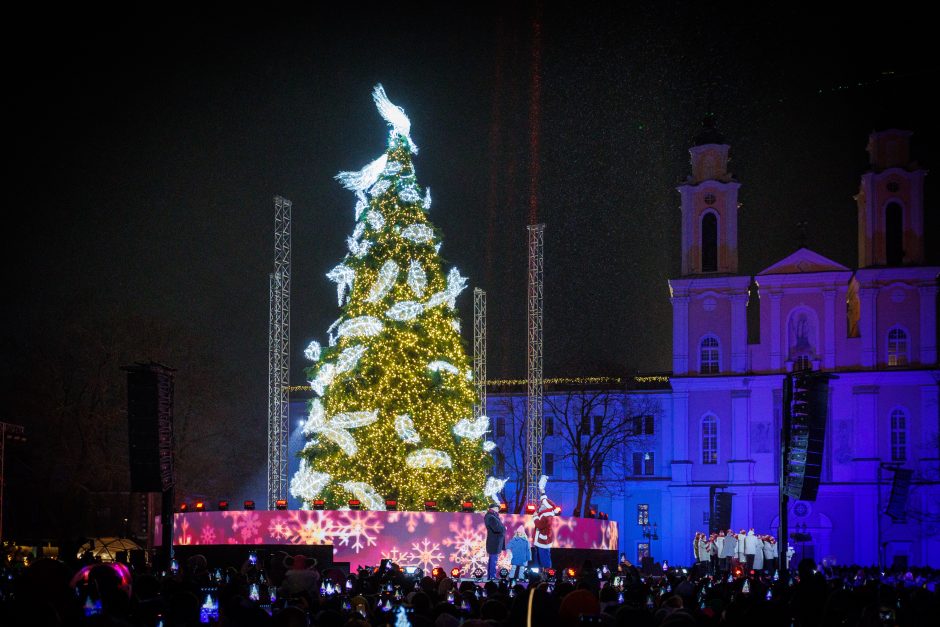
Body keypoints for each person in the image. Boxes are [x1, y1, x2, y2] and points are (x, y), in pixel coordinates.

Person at [532, 475, 560, 570]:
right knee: (542, 557)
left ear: (546, 507)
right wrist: (542, 491)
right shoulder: (546, 514)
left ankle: (547, 574)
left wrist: (535, 516)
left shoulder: (547, 515)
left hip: (543, 540)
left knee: (544, 558)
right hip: (542, 540)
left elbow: (539, 525)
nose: (540, 506)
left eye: (542, 505)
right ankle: (544, 573)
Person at [484, 503, 505, 580]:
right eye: (497, 508)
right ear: (493, 508)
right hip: (494, 541)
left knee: (493, 559)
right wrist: (503, 529)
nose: (498, 509)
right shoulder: (490, 516)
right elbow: (496, 528)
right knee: (493, 559)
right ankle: (492, 576)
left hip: (495, 541)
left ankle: (491, 576)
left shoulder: (493, 516)